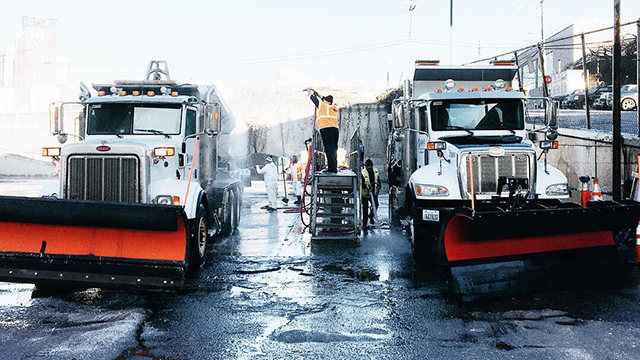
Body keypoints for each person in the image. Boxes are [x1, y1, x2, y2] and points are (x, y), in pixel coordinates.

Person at [306, 88, 339, 173]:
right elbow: (324, 99)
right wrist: (318, 94)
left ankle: (332, 169)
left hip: (327, 129)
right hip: (335, 130)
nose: (323, 101)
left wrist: (310, 93)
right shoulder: (332, 107)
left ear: (327, 102)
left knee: (328, 149)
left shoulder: (323, 106)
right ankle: (333, 167)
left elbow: (315, 101)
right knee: (333, 149)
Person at [361, 159, 381, 227]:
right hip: (365, 193)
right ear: (366, 167)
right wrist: (366, 187)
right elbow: (361, 184)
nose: (369, 169)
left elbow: (378, 180)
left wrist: (378, 186)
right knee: (365, 208)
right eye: (368, 167)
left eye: (370, 167)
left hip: (373, 192)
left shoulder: (375, 171)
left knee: (376, 204)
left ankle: (371, 216)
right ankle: (364, 222)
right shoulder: (363, 172)